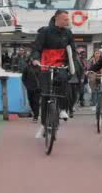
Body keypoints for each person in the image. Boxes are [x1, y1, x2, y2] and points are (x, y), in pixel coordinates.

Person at [31, 10, 78, 139]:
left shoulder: (68, 33)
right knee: (46, 96)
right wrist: (35, 59)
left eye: (67, 20)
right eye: (65, 19)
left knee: (64, 81)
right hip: (46, 66)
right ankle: (43, 125)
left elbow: (72, 50)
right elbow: (37, 48)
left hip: (61, 65)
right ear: (57, 18)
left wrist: (73, 62)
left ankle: (63, 108)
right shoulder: (44, 31)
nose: (67, 22)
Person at [22, 57, 41, 122]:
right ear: (32, 61)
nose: (36, 62)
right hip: (29, 88)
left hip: (37, 88)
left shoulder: (40, 68)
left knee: (36, 102)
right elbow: (23, 78)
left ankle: (36, 116)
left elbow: (42, 77)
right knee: (31, 101)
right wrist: (26, 85)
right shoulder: (27, 68)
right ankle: (34, 111)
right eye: (35, 60)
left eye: (37, 60)